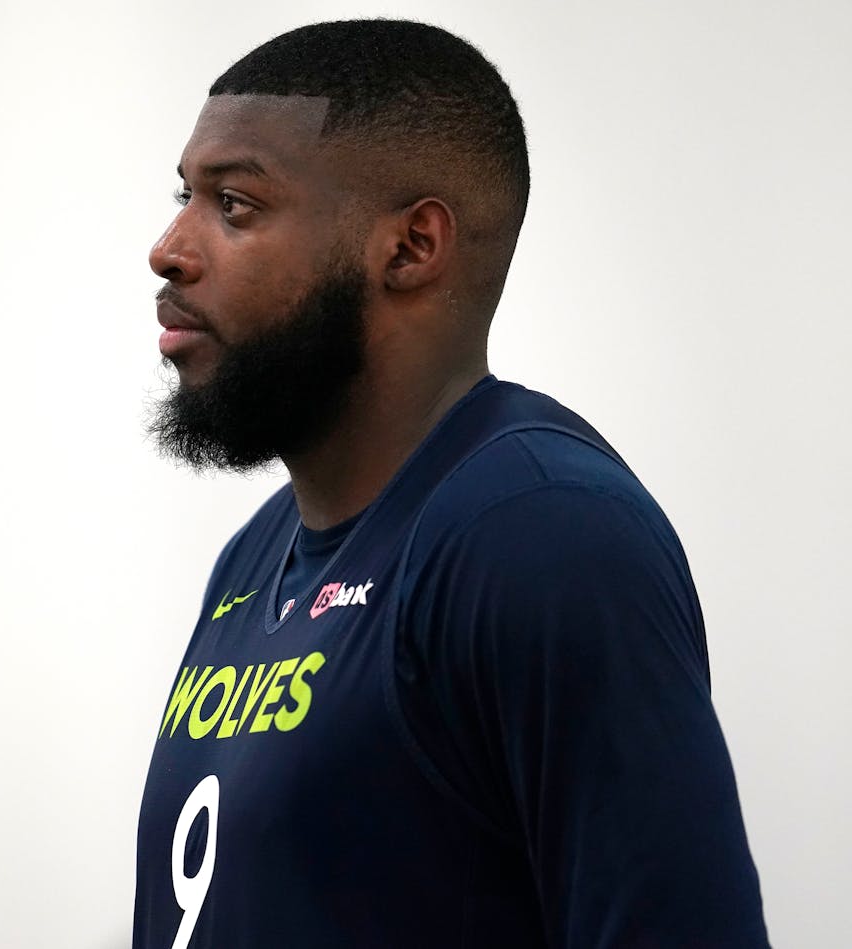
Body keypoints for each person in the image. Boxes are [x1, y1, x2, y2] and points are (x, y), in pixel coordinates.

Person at [134, 19, 769, 949]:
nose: (169, 247)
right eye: (184, 196)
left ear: (411, 246)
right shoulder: (255, 554)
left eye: (233, 204)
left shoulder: (540, 534)